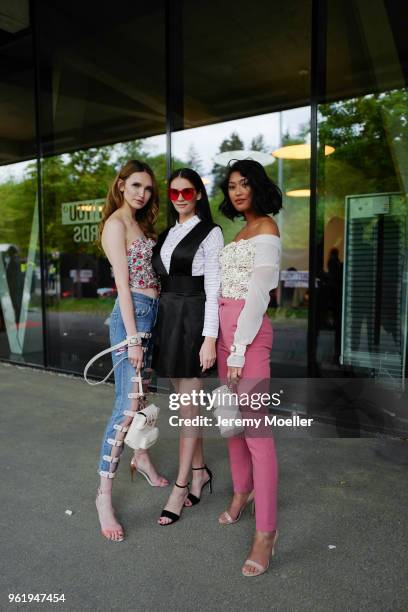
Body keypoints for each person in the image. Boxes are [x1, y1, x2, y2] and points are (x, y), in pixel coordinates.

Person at [96, 159, 169, 542]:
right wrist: (134, 337)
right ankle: (103, 496)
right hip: (132, 317)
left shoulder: (140, 224)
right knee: (126, 406)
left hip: (150, 312)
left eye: (148, 189)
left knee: (141, 399)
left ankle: (140, 458)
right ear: (121, 184)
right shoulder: (116, 224)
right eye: (137, 186)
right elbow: (123, 286)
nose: (143, 194)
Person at [216, 159, 282, 577]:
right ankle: (242, 492)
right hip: (224, 339)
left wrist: (239, 349)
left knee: (257, 434)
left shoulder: (267, 230)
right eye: (232, 186)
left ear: (258, 187)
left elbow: (259, 294)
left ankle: (267, 533)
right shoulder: (238, 231)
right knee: (232, 426)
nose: (238, 191)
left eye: (245, 184)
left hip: (248, 340)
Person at [149, 167, 224, 525]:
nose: (180, 198)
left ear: (198, 194)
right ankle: (199, 473)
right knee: (184, 403)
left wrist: (209, 338)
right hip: (169, 319)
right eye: (174, 193)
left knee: (188, 410)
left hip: (194, 320)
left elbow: (214, 290)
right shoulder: (167, 233)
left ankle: (180, 488)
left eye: (187, 192)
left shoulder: (211, 233)